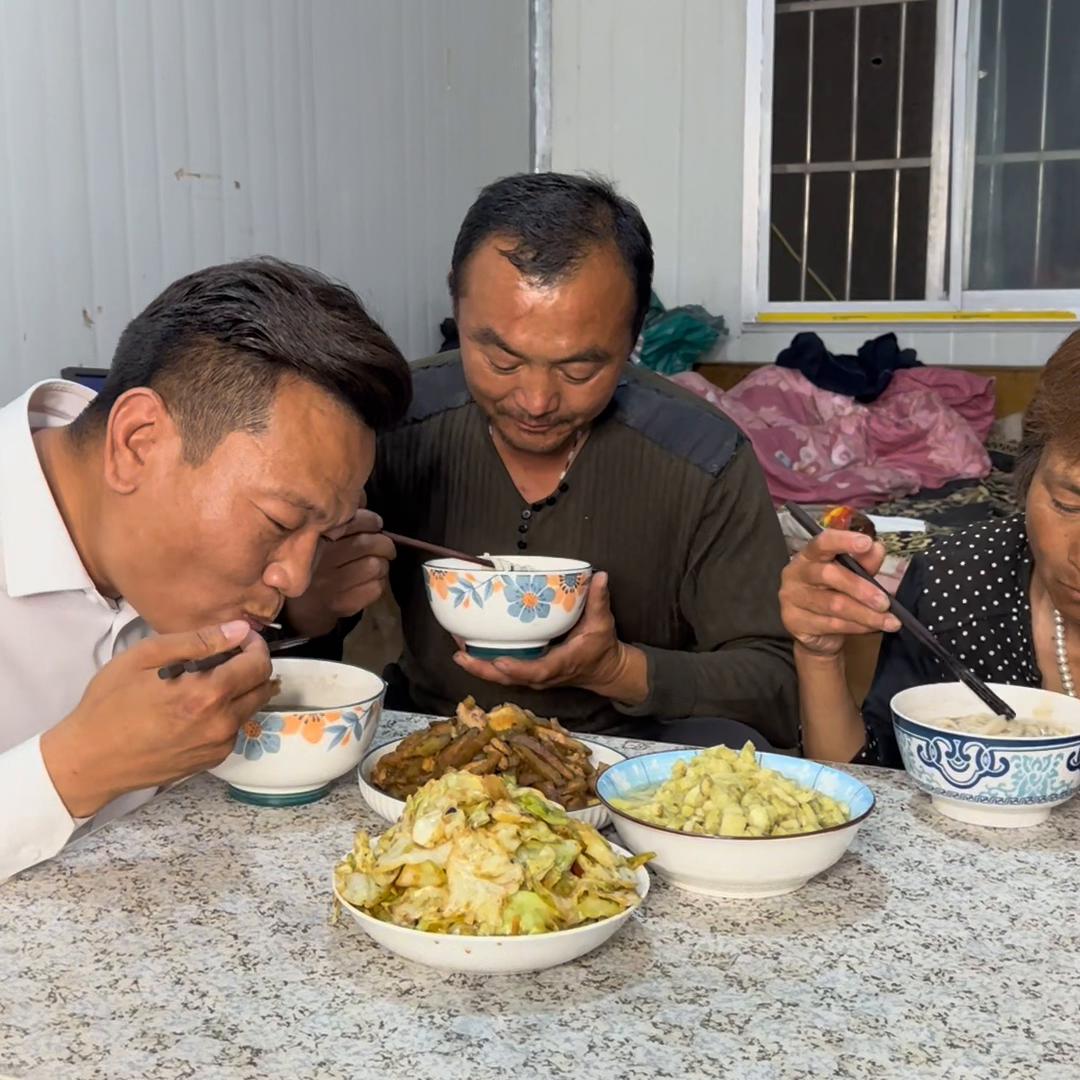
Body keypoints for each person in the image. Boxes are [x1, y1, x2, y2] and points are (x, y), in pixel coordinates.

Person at [320, 172, 798, 748]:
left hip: (633, 757)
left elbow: (775, 679)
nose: (536, 402)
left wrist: (617, 670)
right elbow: (284, 630)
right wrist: (309, 603)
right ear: (457, 305)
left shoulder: (703, 458)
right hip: (435, 739)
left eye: (579, 369)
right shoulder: (389, 423)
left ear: (634, 334)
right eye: (501, 361)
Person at [0, 258, 411, 883]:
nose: (296, 577)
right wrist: (75, 768)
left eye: (323, 533)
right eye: (279, 520)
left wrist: (300, 618)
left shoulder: (146, 545)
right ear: (137, 442)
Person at [780, 331, 1080, 765]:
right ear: (1029, 478)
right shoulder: (956, 583)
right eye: (1068, 504)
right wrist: (817, 654)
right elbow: (874, 774)